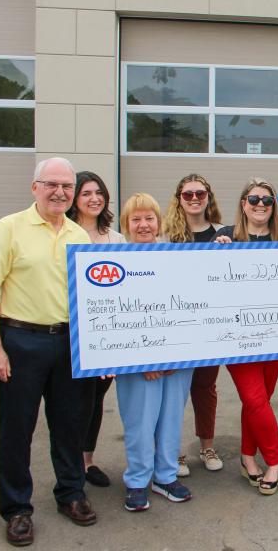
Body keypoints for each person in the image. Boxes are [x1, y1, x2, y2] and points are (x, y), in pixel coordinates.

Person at [0, 157, 96, 546]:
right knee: (16, 429)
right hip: (21, 342)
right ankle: (16, 509)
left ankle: (71, 494)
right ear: (35, 187)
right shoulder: (9, 229)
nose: (59, 192)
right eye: (51, 184)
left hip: (67, 344)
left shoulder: (79, 235)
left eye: (66, 186)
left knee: (69, 425)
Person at [214, 178, 278, 495]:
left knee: (259, 400)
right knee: (254, 398)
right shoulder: (225, 237)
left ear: (273, 206)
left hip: (274, 336)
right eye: (254, 199)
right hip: (235, 336)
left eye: (267, 200)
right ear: (243, 203)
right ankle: (276, 460)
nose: (260, 204)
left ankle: (248, 456)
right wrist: (214, 253)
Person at [116, 193, 194, 511]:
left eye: (149, 218)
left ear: (159, 222)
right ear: (126, 225)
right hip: (136, 362)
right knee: (140, 421)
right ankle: (137, 480)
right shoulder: (114, 259)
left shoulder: (176, 255)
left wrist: (176, 353)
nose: (144, 224)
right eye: (136, 219)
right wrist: (142, 357)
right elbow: (115, 316)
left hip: (177, 359)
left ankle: (165, 476)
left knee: (171, 418)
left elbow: (191, 304)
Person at [66, 171, 125, 489]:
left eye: (98, 192)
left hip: (106, 336)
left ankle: (87, 461)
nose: (94, 198)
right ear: (75, 199)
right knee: (73, 402)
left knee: (95, 399)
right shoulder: (64, 234)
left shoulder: (116, 239)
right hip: (70, 334)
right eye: (86, 192)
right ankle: (71, 465)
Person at [164, 174, 225, 476]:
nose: (194, 198)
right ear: (179, 199)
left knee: (205, 388)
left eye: (200, 193)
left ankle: (207, 446)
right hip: (176, 326)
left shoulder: (223, 233)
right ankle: (174, 452)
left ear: (208, 196)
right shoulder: (167, 236)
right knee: (175, 390)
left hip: (210, 327)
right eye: (187, 194)